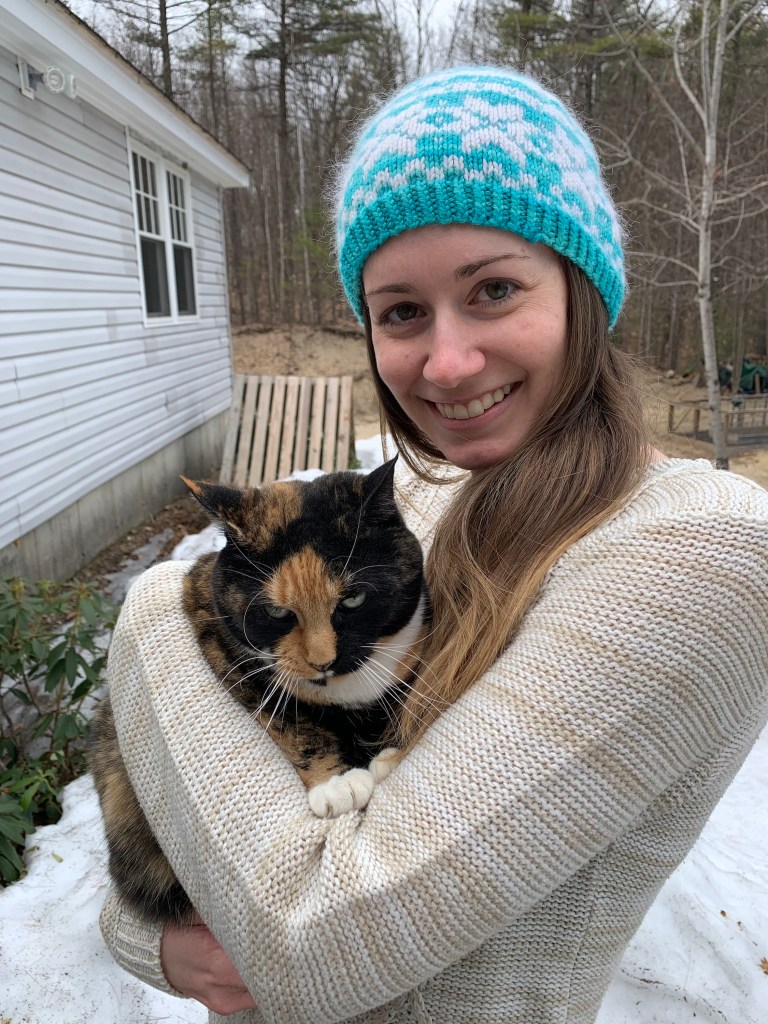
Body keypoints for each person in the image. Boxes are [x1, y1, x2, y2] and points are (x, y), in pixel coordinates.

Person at [99, 66, 768, 1024]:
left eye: (494, 289)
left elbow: (308, 942)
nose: (446, 363)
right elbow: (186, 838)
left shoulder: (699, 550)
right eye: (401, 311)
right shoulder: (426, 490)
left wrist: (151, 612)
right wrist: (156, 938)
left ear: (587, 290)